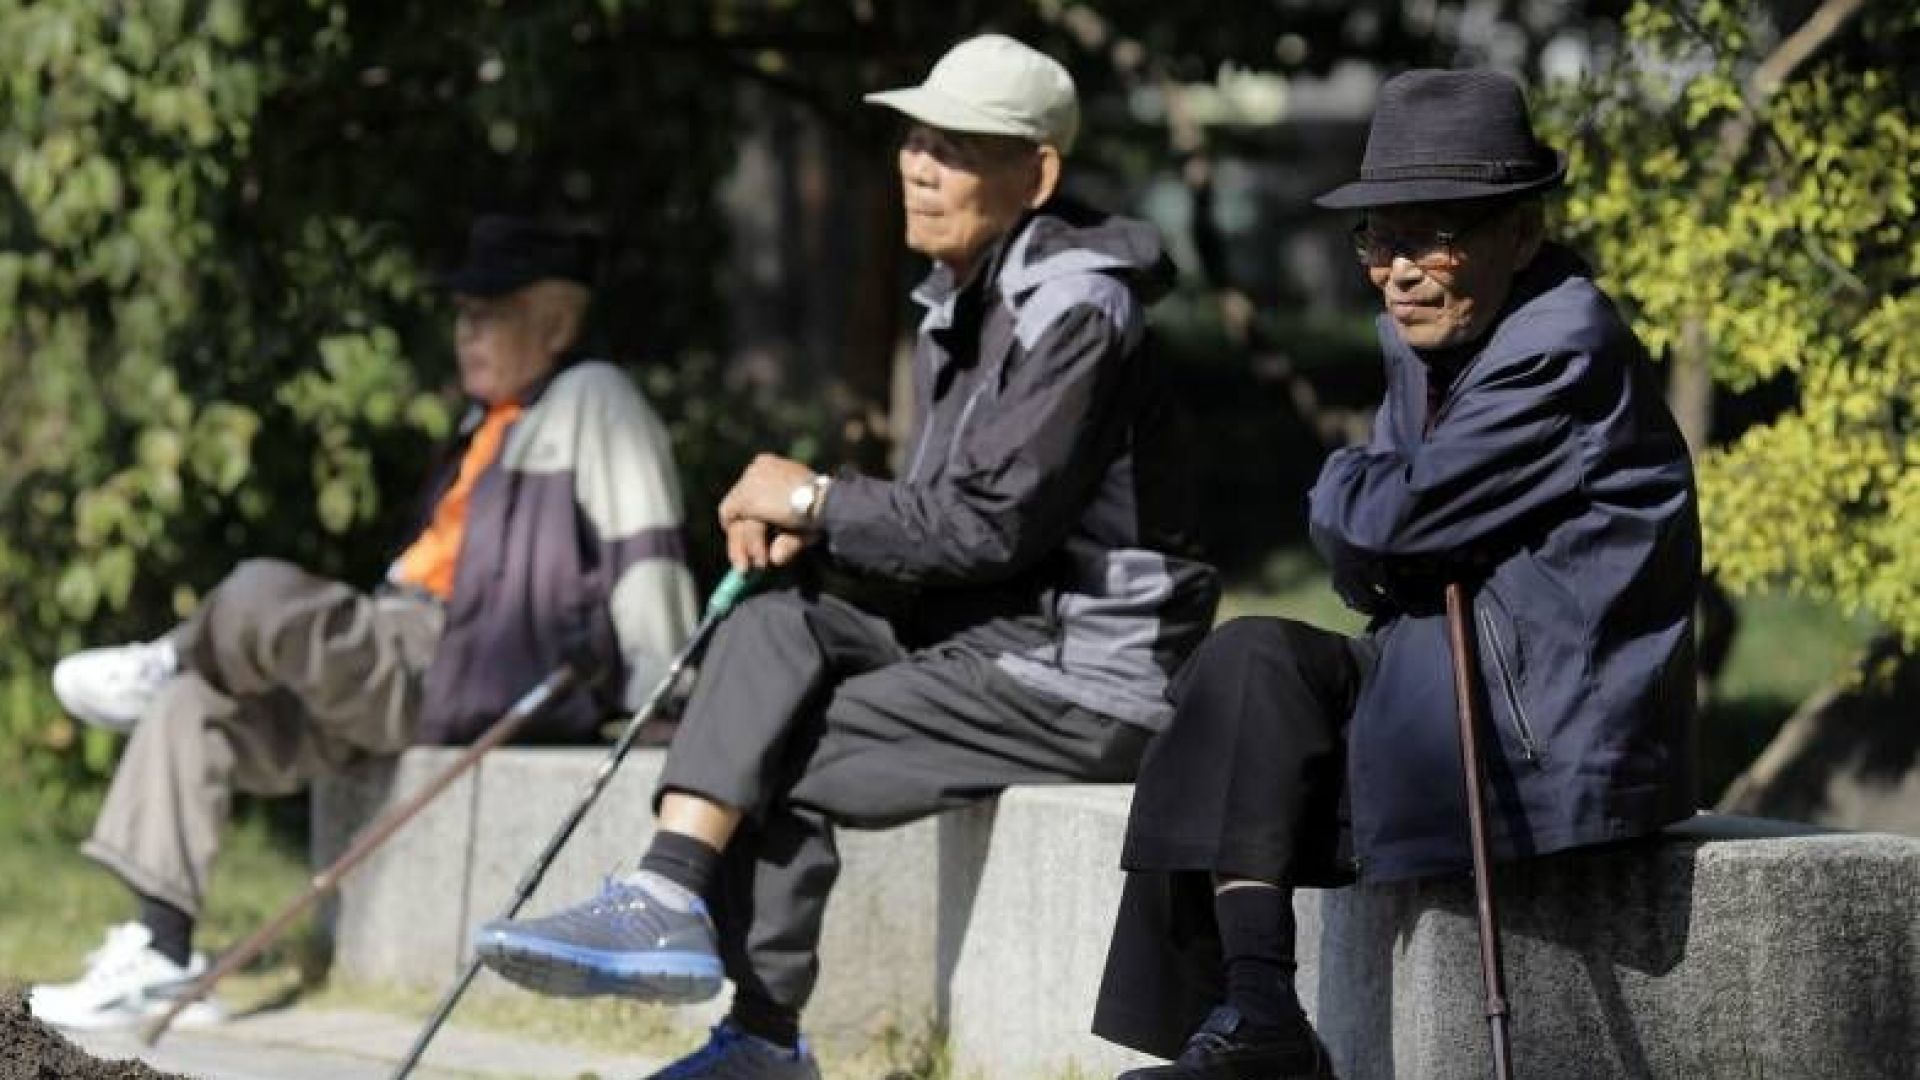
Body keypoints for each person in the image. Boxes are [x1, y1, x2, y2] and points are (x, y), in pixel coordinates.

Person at [471, 34, 1220, 1080]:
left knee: (766, 749)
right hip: (992, 639)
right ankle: (670, 891)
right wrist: (814, 534)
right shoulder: (971, 295)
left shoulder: (1077, 309)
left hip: (1087, 676)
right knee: (774, 612)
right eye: (916, 138)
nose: (918, 163)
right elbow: (952, 531)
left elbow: (989, 527)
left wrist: (818, 500)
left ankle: (762, 1033)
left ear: (1037, 173)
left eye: (957, 147)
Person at [1092, 69, 1701, 1079]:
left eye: (1437, 234)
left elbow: (1380, 526)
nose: (1400, 269)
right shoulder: (1444, 344)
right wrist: (1378, 522)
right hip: (1436, 692)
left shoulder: (1560, 346)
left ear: (1522, 232)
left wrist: (1355, 495)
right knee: (1241, 665)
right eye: (1380, 237)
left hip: (1540, 747)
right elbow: (1373, 561)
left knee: (1253, 729)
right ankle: (1254, 1017)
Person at [29, 215, 700, 1031]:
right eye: (462, 314)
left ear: (556, 323)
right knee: (193, 711)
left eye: (489, 313)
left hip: (458, 661)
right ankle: (160, 954)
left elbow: (646, 547)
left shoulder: (594, 397)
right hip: (397, 649)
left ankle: (172, 656)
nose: (467, 332)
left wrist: (665, 691)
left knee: (258, 592)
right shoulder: (483, 422)